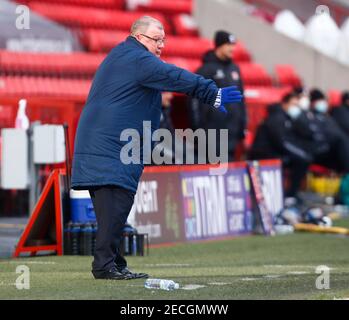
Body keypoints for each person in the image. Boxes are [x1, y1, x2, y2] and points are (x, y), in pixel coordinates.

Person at [71, 16, 243, 280]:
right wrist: (212, 92)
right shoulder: (138, 59)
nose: (161, 45)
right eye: (156, 39)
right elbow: (172, 75)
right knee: (116, 206)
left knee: (112, 211)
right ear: (139, 37)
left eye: (163, 40)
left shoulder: (126, 55)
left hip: (108, 143)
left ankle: (113, 262)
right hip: (112, 146)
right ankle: (104, 266)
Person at [189, 30, 246, 162]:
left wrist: (242, 125)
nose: (233, 48)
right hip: (212, 135)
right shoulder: (205, 70)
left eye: (234, 44)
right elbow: (194, 100)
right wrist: (198, 128)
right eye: (229, 44)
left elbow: (241, 99)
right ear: (219, 46)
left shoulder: (234, 69)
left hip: (231, 134)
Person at [249, 92, 313, 199]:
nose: (295, 108)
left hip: (276, 151)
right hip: (265, 153)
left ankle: (292, 193)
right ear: (284, 103)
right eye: (293, 105)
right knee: (301, 160)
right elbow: (280, 141)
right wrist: (299, 153)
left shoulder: (286, 118)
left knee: (303, 159)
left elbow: (291, 139)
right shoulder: (276, 118)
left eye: (297, 106)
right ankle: (290, 194)